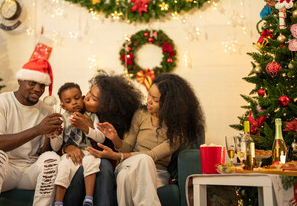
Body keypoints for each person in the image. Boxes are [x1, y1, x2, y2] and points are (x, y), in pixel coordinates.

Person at [86, 73, 205, 206]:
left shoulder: (178, 129)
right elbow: (129, 145)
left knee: (127, 174)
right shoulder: (141, 114)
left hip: (157, 172)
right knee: (138, 162)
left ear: (169, 104)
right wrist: (116, 140)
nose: (148, 101)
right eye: (149, 95)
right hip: (129, 163)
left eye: (155, 99)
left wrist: (116, 155)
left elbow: (152, 155)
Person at [0, 58, 64, 206]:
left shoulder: (47, 110)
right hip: (4, 172)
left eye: (42, 85)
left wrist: (49, 134)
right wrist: (37, 130)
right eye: (32, 83)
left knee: (51, 158)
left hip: (30, 172)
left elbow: (43, 153)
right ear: (20, 81)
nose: (37, 89)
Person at [62, 71, 143, 206]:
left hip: (103, 161)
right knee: (78, 167)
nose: (86, 98)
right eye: (89, 92)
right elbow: (65, 138)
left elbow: (111, 152)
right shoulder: (76, 108)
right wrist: (67, 147)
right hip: (79, 158)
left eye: (94, 99)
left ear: (107, 106)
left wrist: (89, 128)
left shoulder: (113, 123)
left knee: (102, 166)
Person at [51, 82, 105, 206]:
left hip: (89, 152)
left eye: (76, 98)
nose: (74, 102)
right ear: (63, 106)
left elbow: (101, 138)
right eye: (68, 101)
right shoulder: (61, 120)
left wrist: (87, 128)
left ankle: (88, 198)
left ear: (82, 97)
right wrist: (56, 134)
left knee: (91, 162)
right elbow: (56, 147)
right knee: (64, 166)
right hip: (70, 154)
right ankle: (58, 202)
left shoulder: (92, 116)